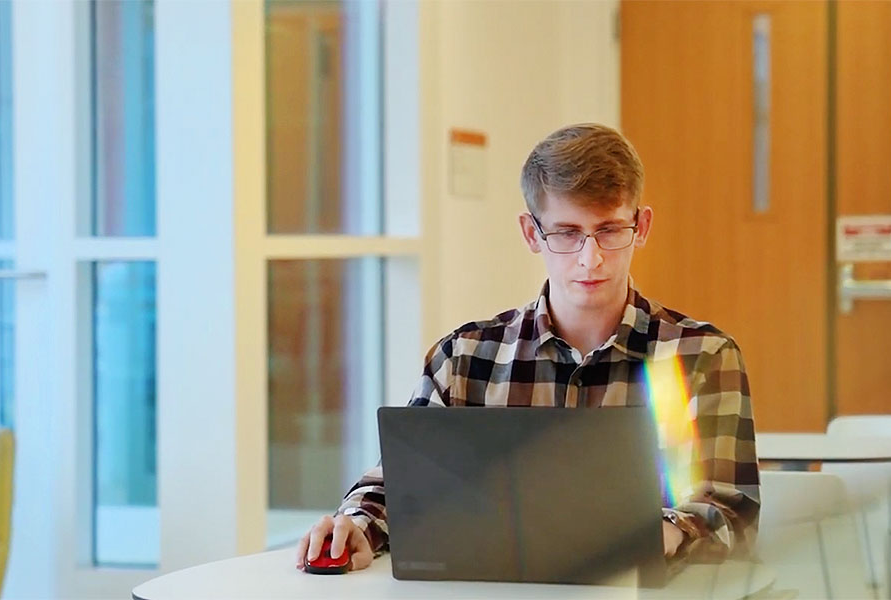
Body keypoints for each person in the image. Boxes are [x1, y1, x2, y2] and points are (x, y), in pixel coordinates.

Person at [295, 123, 760, 573]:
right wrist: (358, 525)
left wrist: (666, 531)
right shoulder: (464, 358)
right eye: (566, 232)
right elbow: (400, 485)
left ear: (642, 226)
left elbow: (732, 509)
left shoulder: (702, 356)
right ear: (532, 233)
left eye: (609, 230)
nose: (590, 258)